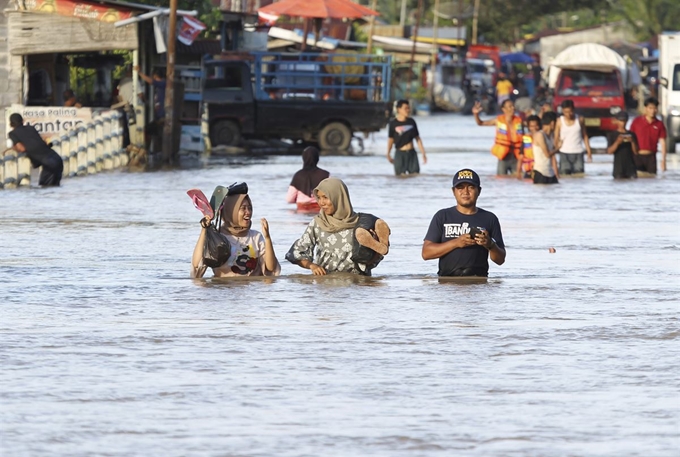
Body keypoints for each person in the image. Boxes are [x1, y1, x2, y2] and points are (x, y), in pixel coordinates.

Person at [286, 178, 390, 276]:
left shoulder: (360, 223)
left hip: (357, 286)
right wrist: (312, 266)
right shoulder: (318, 223)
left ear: (339, 198)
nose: (321, 203)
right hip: (326, 286)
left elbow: (377, 254)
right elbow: (297, 252)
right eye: (319, 197)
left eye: (326, 197)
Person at [422, 169, 506, 277]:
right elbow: (426, 253)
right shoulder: (442, 216)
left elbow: (500, 260)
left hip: (478, 285)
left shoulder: (490, 218)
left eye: (471, 187)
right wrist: (456, 243)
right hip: (447, 284)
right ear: (453, 191)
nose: (465, 192)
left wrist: (489, 244)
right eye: (460, 187)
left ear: (479, 191)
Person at [191, 184, 280, 278]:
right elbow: (197, 265)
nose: (248, 212)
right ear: (231, 211)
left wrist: (267, 238)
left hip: (252, 290)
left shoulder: (256, 237)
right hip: (225, 290)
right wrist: (204, 230)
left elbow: (271, 269)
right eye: (243, 208)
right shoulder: (217, 238)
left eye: (249, 208)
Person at [7, 113, 63, 186]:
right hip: (57, 159)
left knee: (45, 190)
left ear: (11, 124)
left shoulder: (12, 134)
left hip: (48, 164)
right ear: (22, 121)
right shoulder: (31, 128)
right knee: (54, 189)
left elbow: (22, 149)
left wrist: (13, 148)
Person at [473, 99, 524, 176]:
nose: (512, 108)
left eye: (513, 106)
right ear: (504, 109)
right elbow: (481, 123)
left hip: (517, 157)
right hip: (503, 157)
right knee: (501, 180)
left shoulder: (519, 121)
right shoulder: (498, 120)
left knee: (518, 179)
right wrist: (476, 114)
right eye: (510, 106)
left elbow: (533, 127)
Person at [386, 100, 427, 176]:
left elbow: (417, 138)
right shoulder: (393, 123)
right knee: (399, 176)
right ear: (399, 109)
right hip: (400, 154)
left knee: (415, 175)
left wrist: (423, 153)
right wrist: (388, 153)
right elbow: (391, 139)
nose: (408, 110)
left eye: (409, 108)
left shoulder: (411, 122)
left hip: (412, 154)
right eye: (406, 108)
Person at [553, 99, 592, 175]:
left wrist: (589, 152)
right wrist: (556, 148)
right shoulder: (559, 121)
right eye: (565, 112)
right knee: (564, 174)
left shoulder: (580, 119)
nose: (568, 114)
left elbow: (585, 136)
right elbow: (556, 137)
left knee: (579, 175)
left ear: (574, 110)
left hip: (578, 152)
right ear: (562, 111)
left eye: (570, 111)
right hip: (564, 152)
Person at [629, 97, 667, 174]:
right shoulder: (637, 121)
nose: (652, 111)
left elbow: (663, 143)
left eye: (654, 108)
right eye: (650, 108)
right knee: (637, 180)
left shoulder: (659, 124)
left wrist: (663, 160)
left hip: (651, 157)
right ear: (646, 108)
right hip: (637, 156)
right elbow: (630, 139)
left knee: (652, 179)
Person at [286, 146, 330, 212]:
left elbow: (289, 199)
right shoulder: (326, 175)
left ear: (303, 158)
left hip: (301, 209)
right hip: (320, 209)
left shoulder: (298, 175)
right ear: (317, 158)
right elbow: (332, 197)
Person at [135, 66, 166, 151]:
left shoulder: (163, 83)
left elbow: (151, 81)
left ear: (155, 76)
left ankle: (146, 150)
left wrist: (140, 73)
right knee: (152, 132)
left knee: (148, 130)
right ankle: (149, 150)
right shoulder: (160, 86)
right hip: (159, 117)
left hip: (162, 116)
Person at [606, 111, 638, 179]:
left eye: (624, 121)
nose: (623, 123)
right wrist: (617, 142)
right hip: (618, 169)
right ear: (617, 121)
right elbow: (609, 151)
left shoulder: (632, 134)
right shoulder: (612, 135)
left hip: (631, 168)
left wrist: (632, 141)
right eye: (621, 121)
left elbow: (635, 152)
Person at [531, 112, 560, 184]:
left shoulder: (551, 136)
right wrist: (558, 148)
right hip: (540, 172)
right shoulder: (540, 135)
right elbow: (547, 154)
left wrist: (557, 172)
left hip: (551, 173)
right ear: (552, 123)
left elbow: (553, 157)